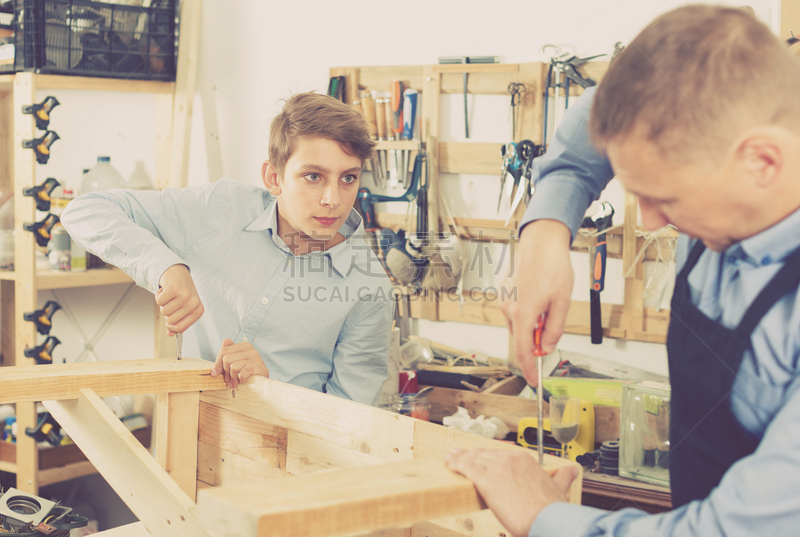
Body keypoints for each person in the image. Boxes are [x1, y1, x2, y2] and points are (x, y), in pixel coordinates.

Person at [447, 5, 800, 537]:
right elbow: (606, 110)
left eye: (666, 196)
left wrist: (541, 515)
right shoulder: (731, 141)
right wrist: (545, 234)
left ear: (763, 162)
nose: (654, 221)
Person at [61, 93, 394, 405]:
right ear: (274, 178)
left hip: (285, 459)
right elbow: (85, 211)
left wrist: (268, 388)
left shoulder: (370, 288)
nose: (333, 199)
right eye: (313, 177)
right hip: (185, 439)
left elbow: (349, 421)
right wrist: (166, 267)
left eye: (348, 178)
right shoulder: (219, 208)